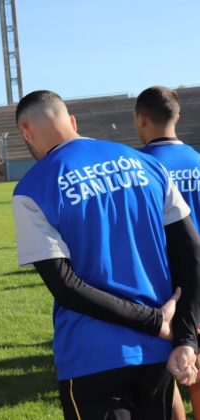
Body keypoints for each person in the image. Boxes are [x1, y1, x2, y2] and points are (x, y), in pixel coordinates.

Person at [12, 90, 200, 419]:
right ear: (72, 121)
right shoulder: (147, 164)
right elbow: (192, 256)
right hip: (156, 354)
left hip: (92, 357)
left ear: (26, 132)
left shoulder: (32, 187)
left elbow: (65, 285)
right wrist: (185, 338)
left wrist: (155, 322)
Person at [135, 86, 200, 420]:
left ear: (141, 120)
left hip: (162, 287)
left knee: (166, 373)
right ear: (178, 116)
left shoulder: (139, 169)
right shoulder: (199, 162)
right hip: (199, 278)